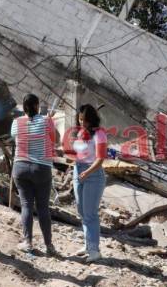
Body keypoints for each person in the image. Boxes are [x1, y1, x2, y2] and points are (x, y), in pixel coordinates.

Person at [11, 94, 57, 255]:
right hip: (42, 168)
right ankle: (49, 246)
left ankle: (28, 242)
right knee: (43, 208)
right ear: (37, 106)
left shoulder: (16, 122)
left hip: (20, 167)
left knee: (26, 206)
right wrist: (48, 122)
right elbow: (54, 139)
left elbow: (15, 138)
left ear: (23, 107)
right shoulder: (46, 121)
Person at [72, 104, 107, 263]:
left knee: (90, 213)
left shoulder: (99, 134)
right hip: (78, 171)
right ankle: (87, 244)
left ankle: (94, 250)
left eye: (85, 120)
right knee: (81, 210)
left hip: (93, 174)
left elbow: (100, 159)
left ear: (92, 120)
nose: (82, 123)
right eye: (80, 120)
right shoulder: (80, 132)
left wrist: (87, 172)